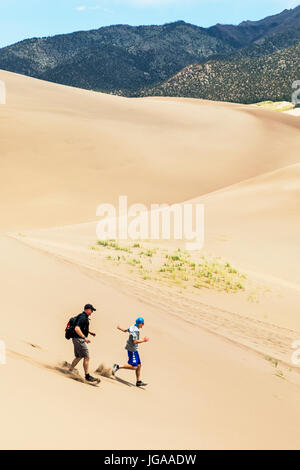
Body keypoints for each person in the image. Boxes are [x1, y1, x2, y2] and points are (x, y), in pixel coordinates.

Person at [113, 317, 149, 387]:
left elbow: (126, 330)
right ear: (141, 323)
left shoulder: (133, 326)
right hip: (132, 349)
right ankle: (117, 366)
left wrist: (120, 328)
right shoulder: (135, 330)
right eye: (142, 323)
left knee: (139, 365)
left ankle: (138, 381)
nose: (143, 325)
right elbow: (135, 341)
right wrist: (144, 340)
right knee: (134, 366)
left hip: (134, 349)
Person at [69, 304, 98, 383]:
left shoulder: (82, 316)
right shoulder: (83, 317)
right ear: (87, 309)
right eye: (91, 310)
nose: (92, 312)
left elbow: (80, 327)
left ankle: (70, 370)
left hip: (76, 338)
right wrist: (84, 337)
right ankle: (87, 376)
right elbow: (77, 328)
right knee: (86, 357)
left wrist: (89, 332)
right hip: (79, 339)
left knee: (79, 356)